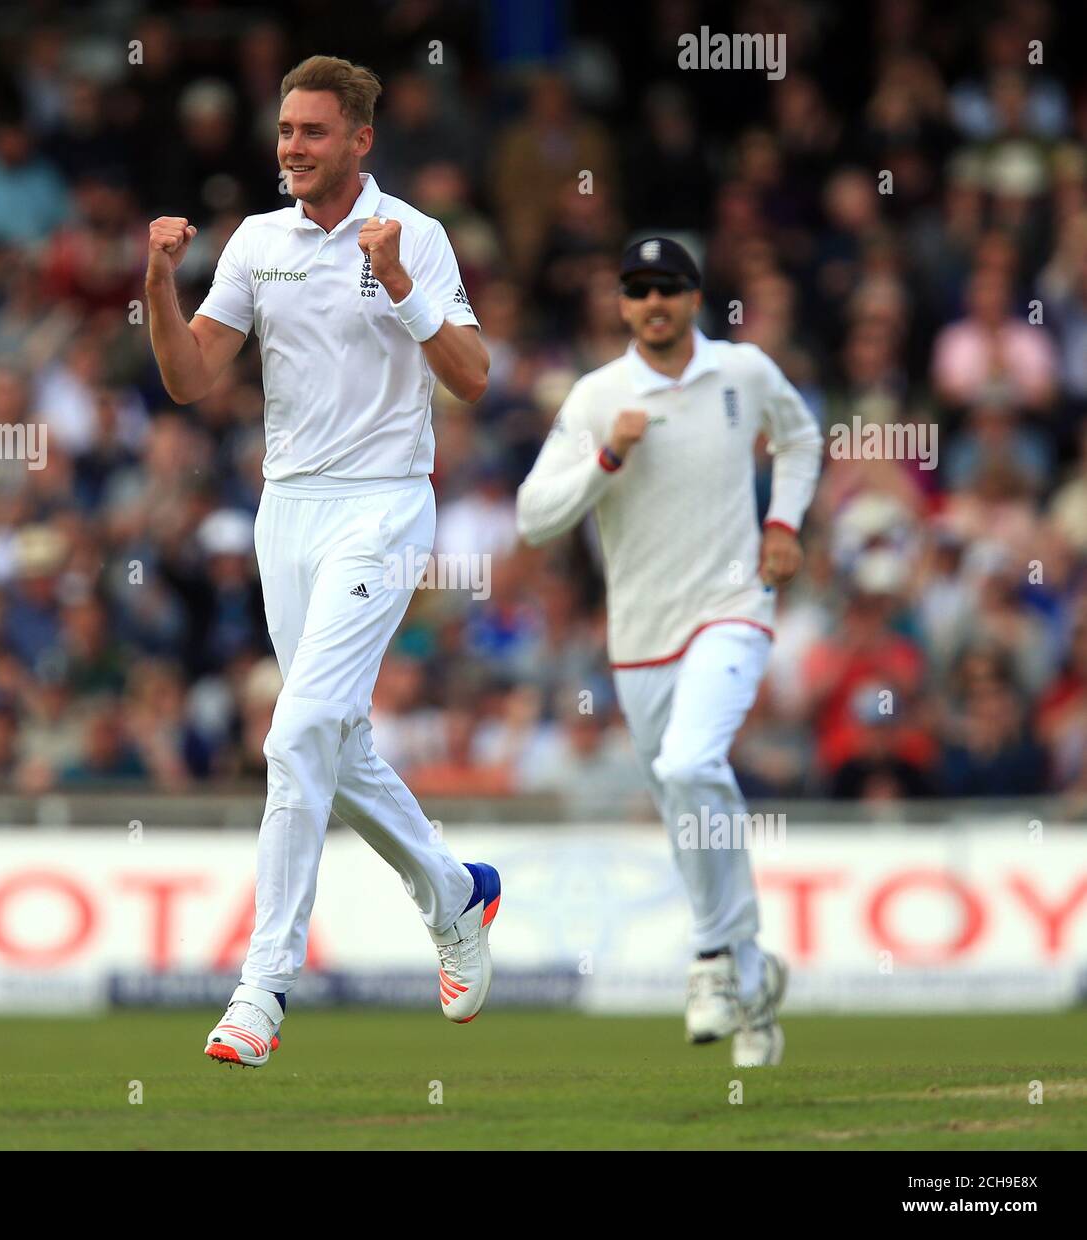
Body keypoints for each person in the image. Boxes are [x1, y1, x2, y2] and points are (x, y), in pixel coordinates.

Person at [145, 56, 497, 1068]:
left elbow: (473, 378)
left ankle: (261, 988)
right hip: (285, 514)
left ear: (358, 142)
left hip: (385, 510)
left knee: (294, 731)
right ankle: (454, 890)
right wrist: (158, 283)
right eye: (285, 131)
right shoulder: (258, 241)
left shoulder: (413, 237)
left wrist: (399, 285)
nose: (291, 147)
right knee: (332, 743)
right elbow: (189, 377)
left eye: (312, 132)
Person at [516, 236, 824, 1066]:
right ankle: (754, 983)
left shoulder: (743, 371)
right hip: (640, 641)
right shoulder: (595, 398)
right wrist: (607, 458)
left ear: (696, 299)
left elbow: (800, 440)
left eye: (670, 288)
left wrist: (784, 524)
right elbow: (535, 515)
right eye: (639, 290)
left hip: (732, 609)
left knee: (693, 767)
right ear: (622, 305)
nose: (654, 303)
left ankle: (713, 955)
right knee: (687, 813)